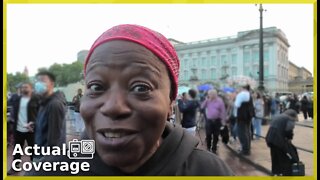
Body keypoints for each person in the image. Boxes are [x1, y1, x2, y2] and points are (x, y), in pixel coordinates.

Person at [26, 24, 234, 176]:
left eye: (140, 88)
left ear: (171, 102)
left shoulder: (210, 171)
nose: (114, 107)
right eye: (96, 87)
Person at [33, 71, 67, 161]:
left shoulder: (54, 104)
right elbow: (46, 124)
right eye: (37, 81)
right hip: (39, 152)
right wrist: (34, 125)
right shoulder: (43, 102)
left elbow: (55, 139)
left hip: (46, 157)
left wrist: (47, 161)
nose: (38, 84)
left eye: (42, 81)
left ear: (51, 84)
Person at [7, 82, 40, 175]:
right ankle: (15, 167)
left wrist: (34, 123)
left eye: (26, 87)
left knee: (33, 151)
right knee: (17, 150)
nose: (24, 89)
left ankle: (35, 169)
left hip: (31, 131)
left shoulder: (36, 99)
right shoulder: (16, 98)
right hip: (18, 130)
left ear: (31, 89)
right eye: (22, 87)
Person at [265, 109, 300, 176]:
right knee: (284, 158)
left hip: (270, 139)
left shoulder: (278, 116)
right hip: (278, 141)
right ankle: (285, 174)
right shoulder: (289, 119)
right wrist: (289, 138)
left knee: (275, 158)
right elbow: (289, 131)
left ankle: (276, 173)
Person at [201, 89, 226, 154]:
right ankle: (208, 147)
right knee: (208, 134)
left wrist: (223, 121)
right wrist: (206, 100)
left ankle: (214, 148)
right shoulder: (208, 101)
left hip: (217, 121)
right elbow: (202, 107)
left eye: (210, 94)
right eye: (209, 94)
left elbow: (223, 111)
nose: (209, 95)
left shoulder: (220, 101)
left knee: (216, 135)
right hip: (209, 121)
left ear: (215, 94)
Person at [234, 84, 254, 155]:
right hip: (247, 116)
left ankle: (245, 150)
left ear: (242, 87)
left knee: (242, 133)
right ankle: (247, 148)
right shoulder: (249, 94)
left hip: (241, 116)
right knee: (247, 132)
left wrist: (233, 100)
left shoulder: (241, 94)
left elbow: (237, 105)